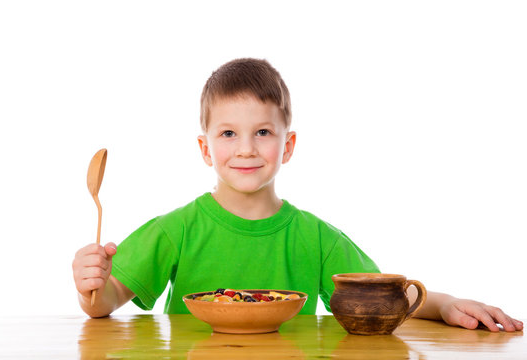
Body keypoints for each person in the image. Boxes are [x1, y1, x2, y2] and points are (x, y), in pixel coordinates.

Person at [73, 58, 523, 332]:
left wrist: (445, 305)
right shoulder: (174, 230)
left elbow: (385, 299)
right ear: (205, 148)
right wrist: (91, 286)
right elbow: (104, 303)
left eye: (263, 132)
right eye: (229, 133)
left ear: (287, 145)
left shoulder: (317, 238)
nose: (246, 148)